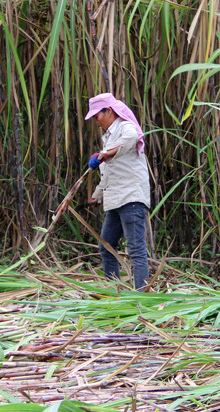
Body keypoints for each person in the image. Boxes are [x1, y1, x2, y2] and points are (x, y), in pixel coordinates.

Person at [85, 93, 151, 291]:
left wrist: (104, 154)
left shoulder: (125, 127)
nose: (96, 120)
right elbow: (111, 170)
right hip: (115, 199)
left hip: (131, 198)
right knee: (107, 246)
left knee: (136, 250)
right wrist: (98, 194)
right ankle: (113, 291)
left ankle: (142, 296)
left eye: (97, 115)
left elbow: (131, 138)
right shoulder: (109, 136)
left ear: (110, 111)